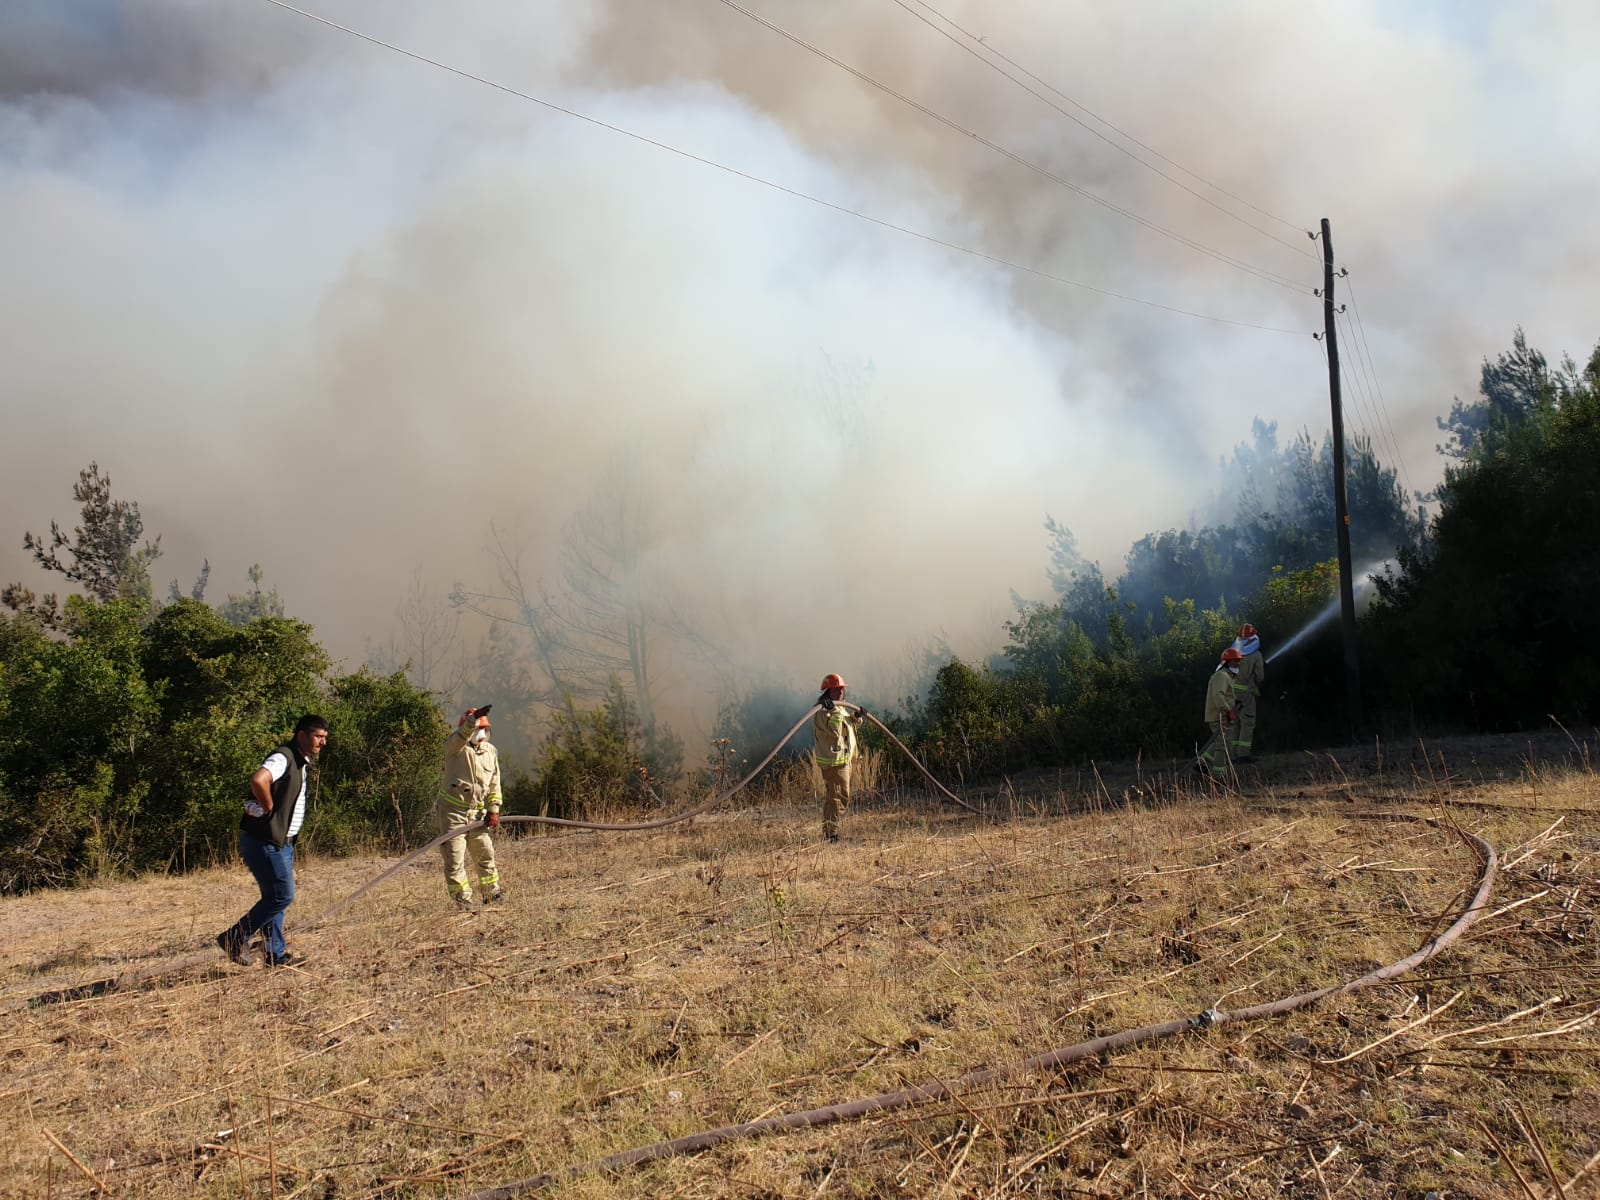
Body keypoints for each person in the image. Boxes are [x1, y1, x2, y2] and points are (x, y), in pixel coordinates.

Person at [217, 714, 329, 968]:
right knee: (282, 896)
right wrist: (267, 806)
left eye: (324, 738)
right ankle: (235, 937)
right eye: (317, 737)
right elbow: (259, 779)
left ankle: (275, 955)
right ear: (301, 735)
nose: (322, 743)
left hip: (281, 842)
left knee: (274, 898)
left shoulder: (299, 760)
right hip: (266, 841)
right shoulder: (283, 757)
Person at [440, 705, 504, 909]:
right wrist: (471, 721)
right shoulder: (456, 748)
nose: (481, 734)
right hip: (453, 813)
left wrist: (494, 808)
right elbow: (459, 737)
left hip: (477, 814)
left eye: (485, 729)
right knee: (454, 858)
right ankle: (463, 900)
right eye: (477, 729)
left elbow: (495, 782)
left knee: (485, 853)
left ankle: (491, 892)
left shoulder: (490, 752)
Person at [813, 672, 867, 842]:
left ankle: (830, 831)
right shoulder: (822, 713)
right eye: (836, 690)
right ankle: (831, 834)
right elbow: (835, 732)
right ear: (828, 692)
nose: (840, 693)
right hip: (834, 762)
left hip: (844, 761)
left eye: (841, 689)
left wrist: (857, 717)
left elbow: (848, 727)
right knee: (837, 798)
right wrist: (833, 711)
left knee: (837, 797)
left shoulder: (839, 709)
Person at [1198, 648, 1242, 780]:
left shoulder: (1226, 676)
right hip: (1220, 715)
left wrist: (1233, 703)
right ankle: (1218, 776)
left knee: (1219, 742)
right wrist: (1228, 709)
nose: (1238, 664)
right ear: (1228, 662)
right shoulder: (1222, 676)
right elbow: (1218, 696)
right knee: (1223, 745)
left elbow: (1224, 695)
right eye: (1235, 661)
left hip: (1221, 714)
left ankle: (1201, 764)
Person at [1230, 622, 1266, 763]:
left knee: (1233, 724)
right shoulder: (1256, 655)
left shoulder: (1233, 653)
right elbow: (1260, 676)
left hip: (1230, 693)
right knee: (1247, 723)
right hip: (1246, 695)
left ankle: (1232, 756)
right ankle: (1243, 755)